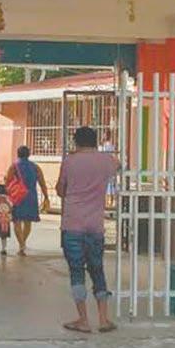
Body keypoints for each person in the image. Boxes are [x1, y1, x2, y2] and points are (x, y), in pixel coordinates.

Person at [56, 126, 119, 334]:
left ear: (76, 142)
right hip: (95, 226)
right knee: (97, 270)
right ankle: (103, 319)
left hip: (72, 224)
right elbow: (119, 165)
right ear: (95, 141)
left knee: (77, 272)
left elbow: (60, 190)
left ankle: (83, 319)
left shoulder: (69, 161)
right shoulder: (106, 161)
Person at [7, 146, 50, 256]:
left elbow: (7, 181)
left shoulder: (14, 166)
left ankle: (21, 245)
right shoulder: (35, 167)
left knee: (17, 221)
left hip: (18, 196)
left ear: (18, 154)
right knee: (28, 222)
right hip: (31, 196)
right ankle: (23, 244)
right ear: (29, 154)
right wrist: (46, 197)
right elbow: (42, 183)